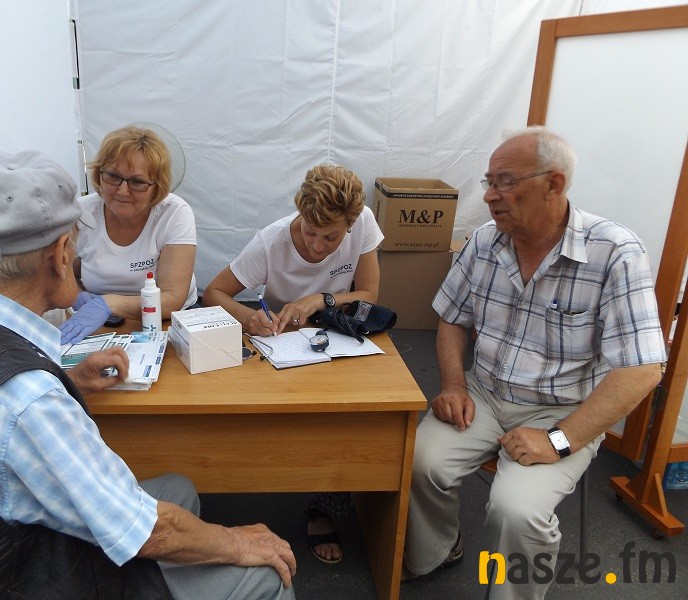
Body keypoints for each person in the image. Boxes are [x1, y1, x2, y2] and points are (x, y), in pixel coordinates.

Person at [0, 150, 295, 600]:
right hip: (21, 580)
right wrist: (237, 542)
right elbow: (150, 532)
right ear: (60, 255)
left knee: (177, 489)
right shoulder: (27, 396)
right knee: (266, 573)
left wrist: (71, 381)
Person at [402, 126, 666, 599]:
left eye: (504, 181)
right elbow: (451, 318)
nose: (489, 195)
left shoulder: (615, 253)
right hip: (484, 392)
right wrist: (454, 384)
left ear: (554, 183)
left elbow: (643, 369)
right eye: (488, 182)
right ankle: (437, 551)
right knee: (418, 463)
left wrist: (560, 439)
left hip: (561, 411)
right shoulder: (484, 242)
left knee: (516, 511)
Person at [203, 164, 383, 564]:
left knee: (347, 414)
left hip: (337, 335)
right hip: (281, 342)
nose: (317, 246)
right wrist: (248, 317)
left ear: (350, 225)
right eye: (309, 231)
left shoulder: (363, 223)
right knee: (283, 423)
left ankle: (324, 505)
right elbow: (214, 292)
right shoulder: (271, 242)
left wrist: (320, 299)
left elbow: (370, 293)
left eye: (331, 237)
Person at [60, 124, 198, 344]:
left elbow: (172, 298)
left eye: (137, 182)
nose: (123, 191)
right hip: (101, 323)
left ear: (157, 186)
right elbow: (67, 273)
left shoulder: (174, 213)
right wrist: (77, 295)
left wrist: (108, 304)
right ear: (98, 174)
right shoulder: (81, 214)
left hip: (167, 320)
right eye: (113, 176)